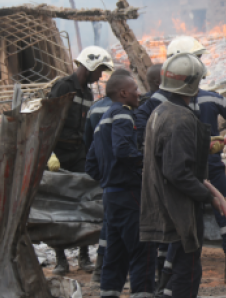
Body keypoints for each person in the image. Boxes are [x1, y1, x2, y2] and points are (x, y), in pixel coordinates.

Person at [140, 53, 224, 298]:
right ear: (193, 83)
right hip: (179, 208)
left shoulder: (160, 112)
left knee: (178, 267)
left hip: (164, 203)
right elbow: (178, 171)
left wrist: (202, 144)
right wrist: (208, 196)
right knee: (187, 273)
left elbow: (170, 155)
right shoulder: (182, 118)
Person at [85, 74, 156, 297]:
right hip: (129, 194)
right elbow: (123, 150)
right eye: (135, 88)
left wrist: (110, 176)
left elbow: (91, 165)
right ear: (123, 93)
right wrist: (148, 165)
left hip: (111, 197)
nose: (139, 93)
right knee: (142, 251)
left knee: (114, 254)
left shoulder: (101, 122)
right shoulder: (123, 115)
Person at [47, 45, 114, 276]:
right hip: (59, 153)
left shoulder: (87, 94)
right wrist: (49, 153)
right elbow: (49, 120)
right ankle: (60, 258)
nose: (101, 76)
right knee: (57, 206)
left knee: (84, 201)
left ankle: (84, 255)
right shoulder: (63, 87)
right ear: (90, 66)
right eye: (100, 70)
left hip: (79, 153)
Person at [82, 67, 132, 283]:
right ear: (123, 89)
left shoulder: (95, 109)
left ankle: (99, 269)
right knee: (128, 227)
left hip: (106, 176)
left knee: (110, 222)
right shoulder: (124, 110)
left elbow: (88, 142)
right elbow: (127, 147)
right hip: (125, 179)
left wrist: (99, 172)